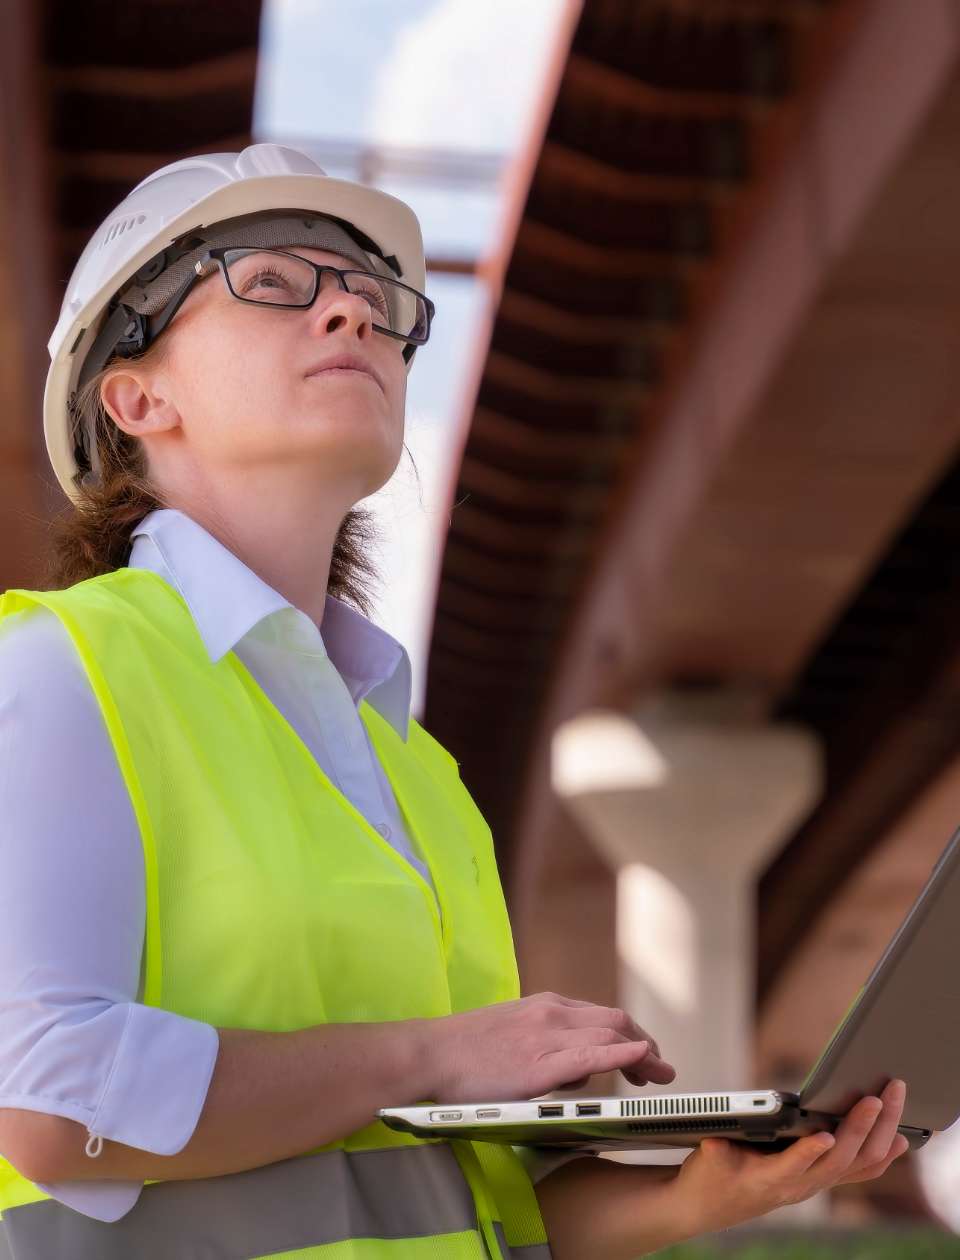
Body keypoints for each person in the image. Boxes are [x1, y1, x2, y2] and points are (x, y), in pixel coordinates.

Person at [0, 143, 908, 1260]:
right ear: (136, 396)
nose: (351, 314)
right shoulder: (59, 667)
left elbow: (460, 1197)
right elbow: (44, 1104)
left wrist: (701, 1194)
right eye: (274, 283)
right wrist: (434, 1053)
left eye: (376, 302)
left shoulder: (417, 774)